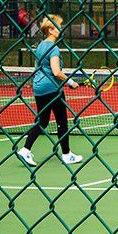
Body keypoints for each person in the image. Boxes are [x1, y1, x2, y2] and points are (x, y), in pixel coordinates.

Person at [17, 15, 83, 167]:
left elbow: (37, 68)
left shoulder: (40, 46)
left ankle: (26, 150)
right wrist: (71, 82)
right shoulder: (54, 49)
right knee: (62, 122)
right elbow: (56, 72)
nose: (60, 29)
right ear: (51, 30)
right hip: (52, 89)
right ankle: (66, 154)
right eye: (58, 27)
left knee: (43, 121)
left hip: (38, 87)